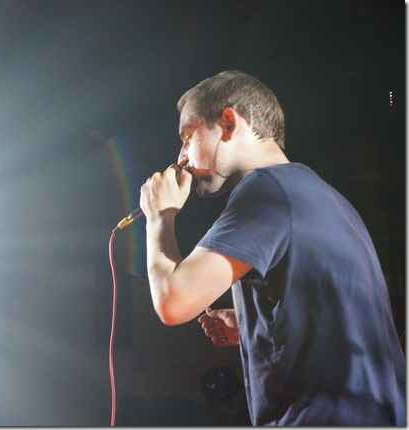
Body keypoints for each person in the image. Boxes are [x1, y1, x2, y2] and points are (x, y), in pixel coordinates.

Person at [139, 70, 406, 425]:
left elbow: (173, 302)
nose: (182, 158)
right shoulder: (319, 194)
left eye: (188, 138)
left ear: (229, 122)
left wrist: (160, 216)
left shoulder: (265, 191)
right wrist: (253, 328)